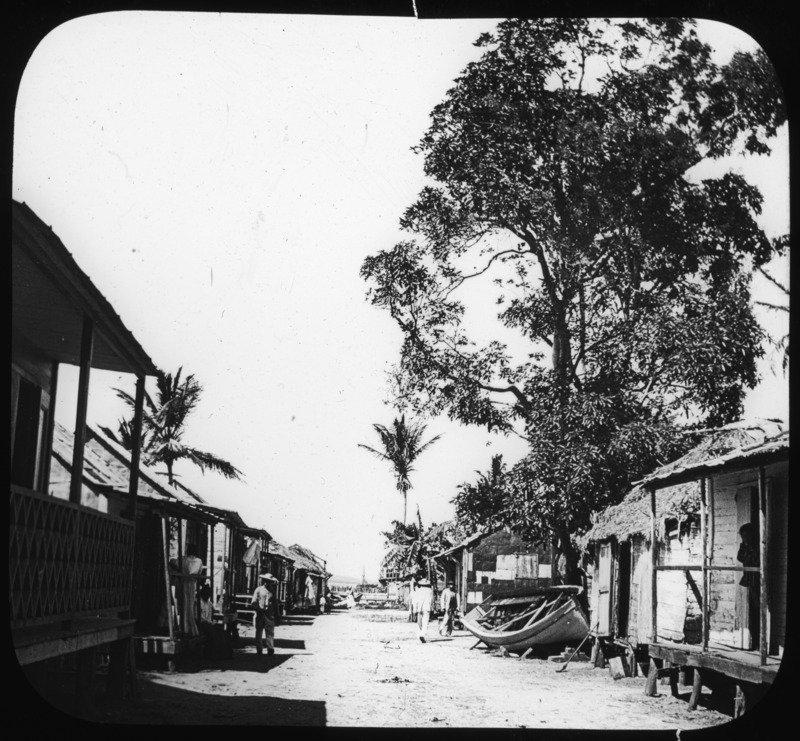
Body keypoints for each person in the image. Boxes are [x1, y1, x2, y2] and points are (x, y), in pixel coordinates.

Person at [737, 522, 760, 647]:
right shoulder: (745, 546)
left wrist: (751, 551)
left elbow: (756, 560)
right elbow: (740, 558)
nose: (745, 539)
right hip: (749, 578)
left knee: (758, 606)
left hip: (757, 578)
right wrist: (745, 547)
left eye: (746, 537)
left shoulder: (757, 547)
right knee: (752, 607)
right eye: (743, 537)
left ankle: (759, 641)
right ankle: (754, 639)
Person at [198, 583, 230, 659]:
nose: (208, 595)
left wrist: (220, 606)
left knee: (222, 632)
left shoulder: (209, 603)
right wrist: (210, 622)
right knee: (213, 634)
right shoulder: (198, 602)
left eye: (208, 594)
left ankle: (225, 654)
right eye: (206, 593)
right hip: (202, 624)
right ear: (203, 593)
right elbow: (199, 617)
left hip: (209, 623)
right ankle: (213, 655)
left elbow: (214, 611)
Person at [181, 543, 205, 637]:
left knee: (183, 605)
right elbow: (198, 572)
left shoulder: (183, 560)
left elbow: (173, 561)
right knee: (189, 606)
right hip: (191, 584)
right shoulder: (198, 561)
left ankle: (184, 627)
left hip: (183, 583)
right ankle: (189, 629)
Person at [251, 573, 278, 655]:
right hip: (260, 614)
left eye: (269, 581)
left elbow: (275, 604)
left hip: (269, 615)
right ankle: (259, 648)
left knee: (270, 632)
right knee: (259, 632)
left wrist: (278, 616)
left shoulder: (272, 591)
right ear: (263, 581)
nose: (267, 583)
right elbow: (253, 602)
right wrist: (258, 609)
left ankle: (270, 648)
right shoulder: (258, 590)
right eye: (266, 581)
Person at [411, 577, 433, 643]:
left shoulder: (418, 590)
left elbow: (415, 601)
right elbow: (431, 601)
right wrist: (432, 609)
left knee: (419, 622)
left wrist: (414, 610)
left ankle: (419, 634)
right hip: (427, 608)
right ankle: (422, 634)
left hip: (419, 608)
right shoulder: (430, 591)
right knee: (425, 622)